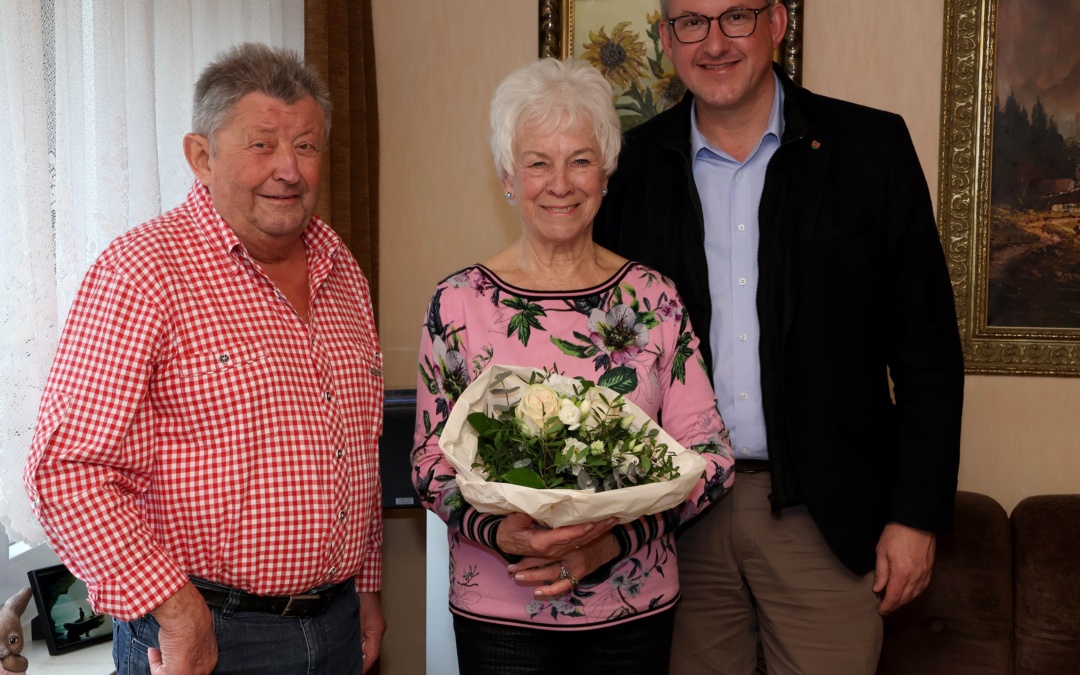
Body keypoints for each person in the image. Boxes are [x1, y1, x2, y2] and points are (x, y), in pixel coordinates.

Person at [593, 2, 966, 673]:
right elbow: (603, 352)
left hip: (823, 518)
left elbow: (926, 348)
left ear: (776, 22)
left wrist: (916, 515)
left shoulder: (868, 149)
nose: (713, 42)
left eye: (735, 16)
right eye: (690, 22)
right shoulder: (632, 168)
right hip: (677, 522)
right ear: (665, 37)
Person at [24, 43, 385, 675]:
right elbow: (65, 469)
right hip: (207, 637)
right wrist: (178, 611)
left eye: (305, 146)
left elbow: (356, 445)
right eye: (262, 144)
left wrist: (368, 588)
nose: (289, 170)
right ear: (201, 155)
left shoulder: (342, 267)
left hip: (336, 626)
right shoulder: (142, 273)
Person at [412, 57, 735, 675]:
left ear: (606, 173)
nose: (560, 182)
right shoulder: (457, 304)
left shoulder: (653, 299)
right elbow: (430, 466)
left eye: (580, 159)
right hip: (499, 611)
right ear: (508, 175)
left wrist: (612, 542)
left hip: (632, 608)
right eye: (538, 162)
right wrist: (502, 533)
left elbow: (711, 458)